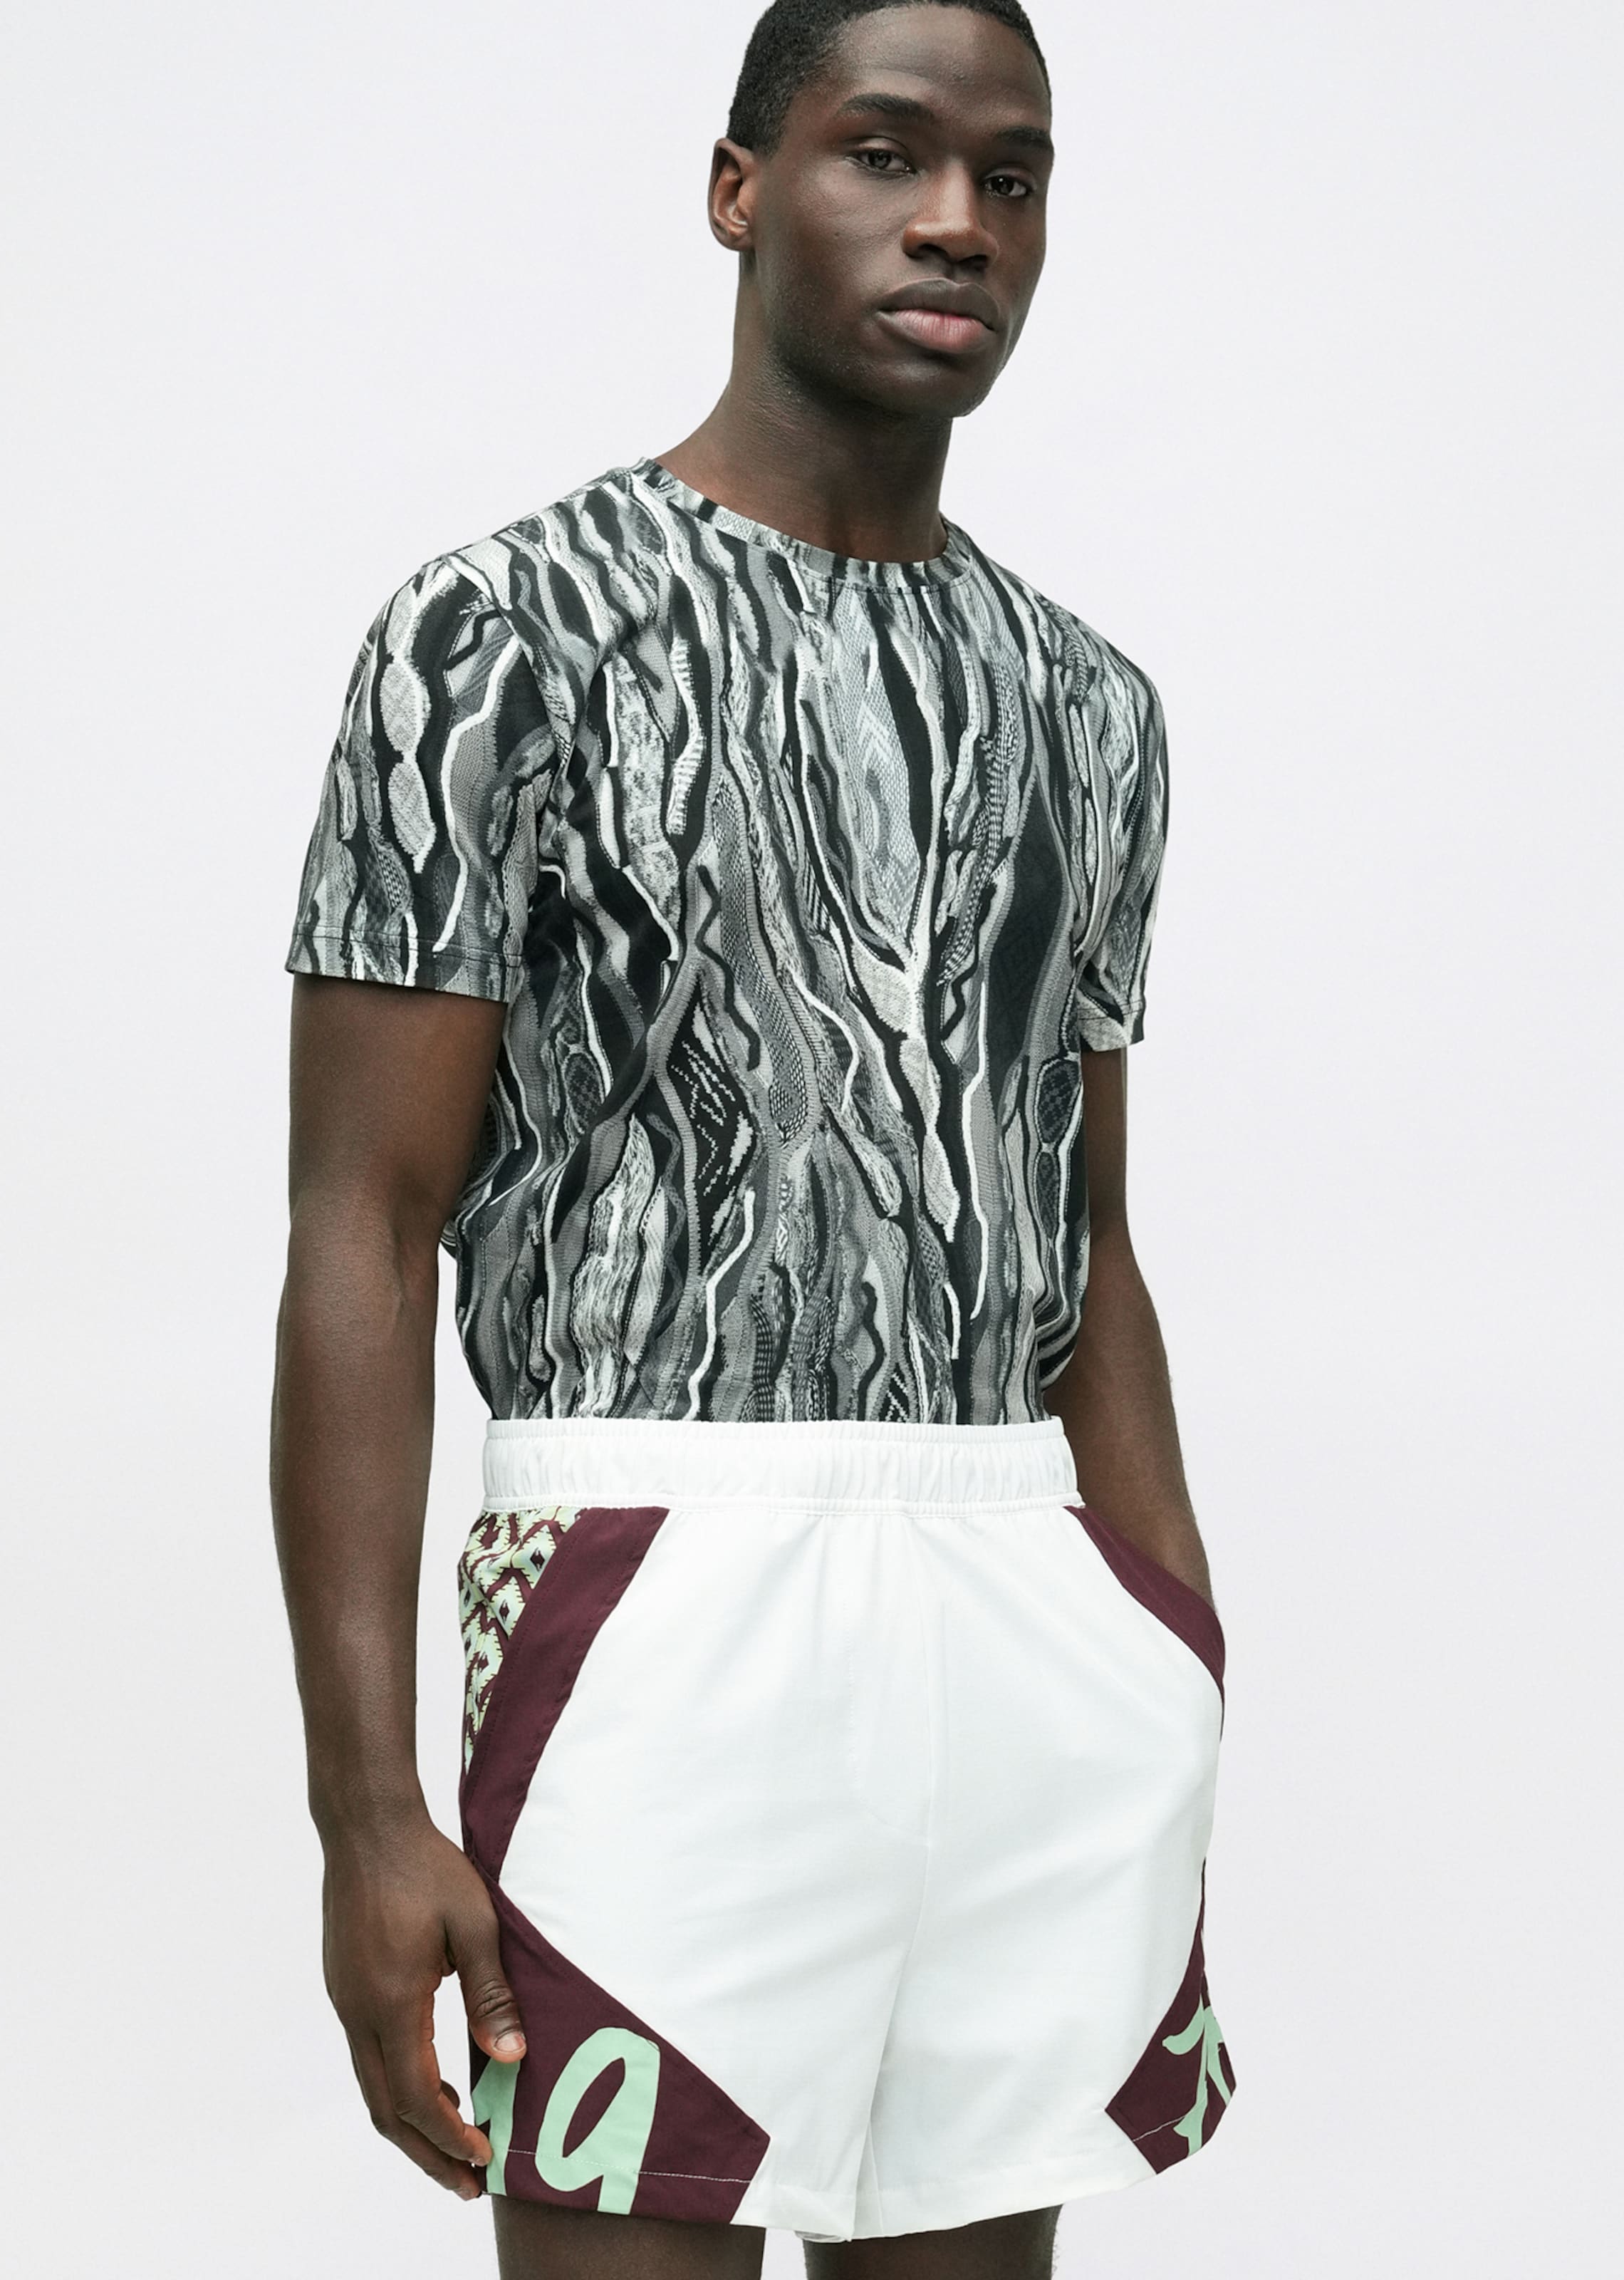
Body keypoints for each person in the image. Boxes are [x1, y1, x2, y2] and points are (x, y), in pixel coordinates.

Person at [271, 3, 1235, 2274]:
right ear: (738, 189)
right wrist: (366, 1806)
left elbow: (1088, 1226)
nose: (956, 221)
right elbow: (362, 1224)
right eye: (884, 152)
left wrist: (1177, 1654)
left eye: (1011, 177)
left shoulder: (1090, 705)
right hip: (653, 1584)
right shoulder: (493, 639)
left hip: (1024, 1599)